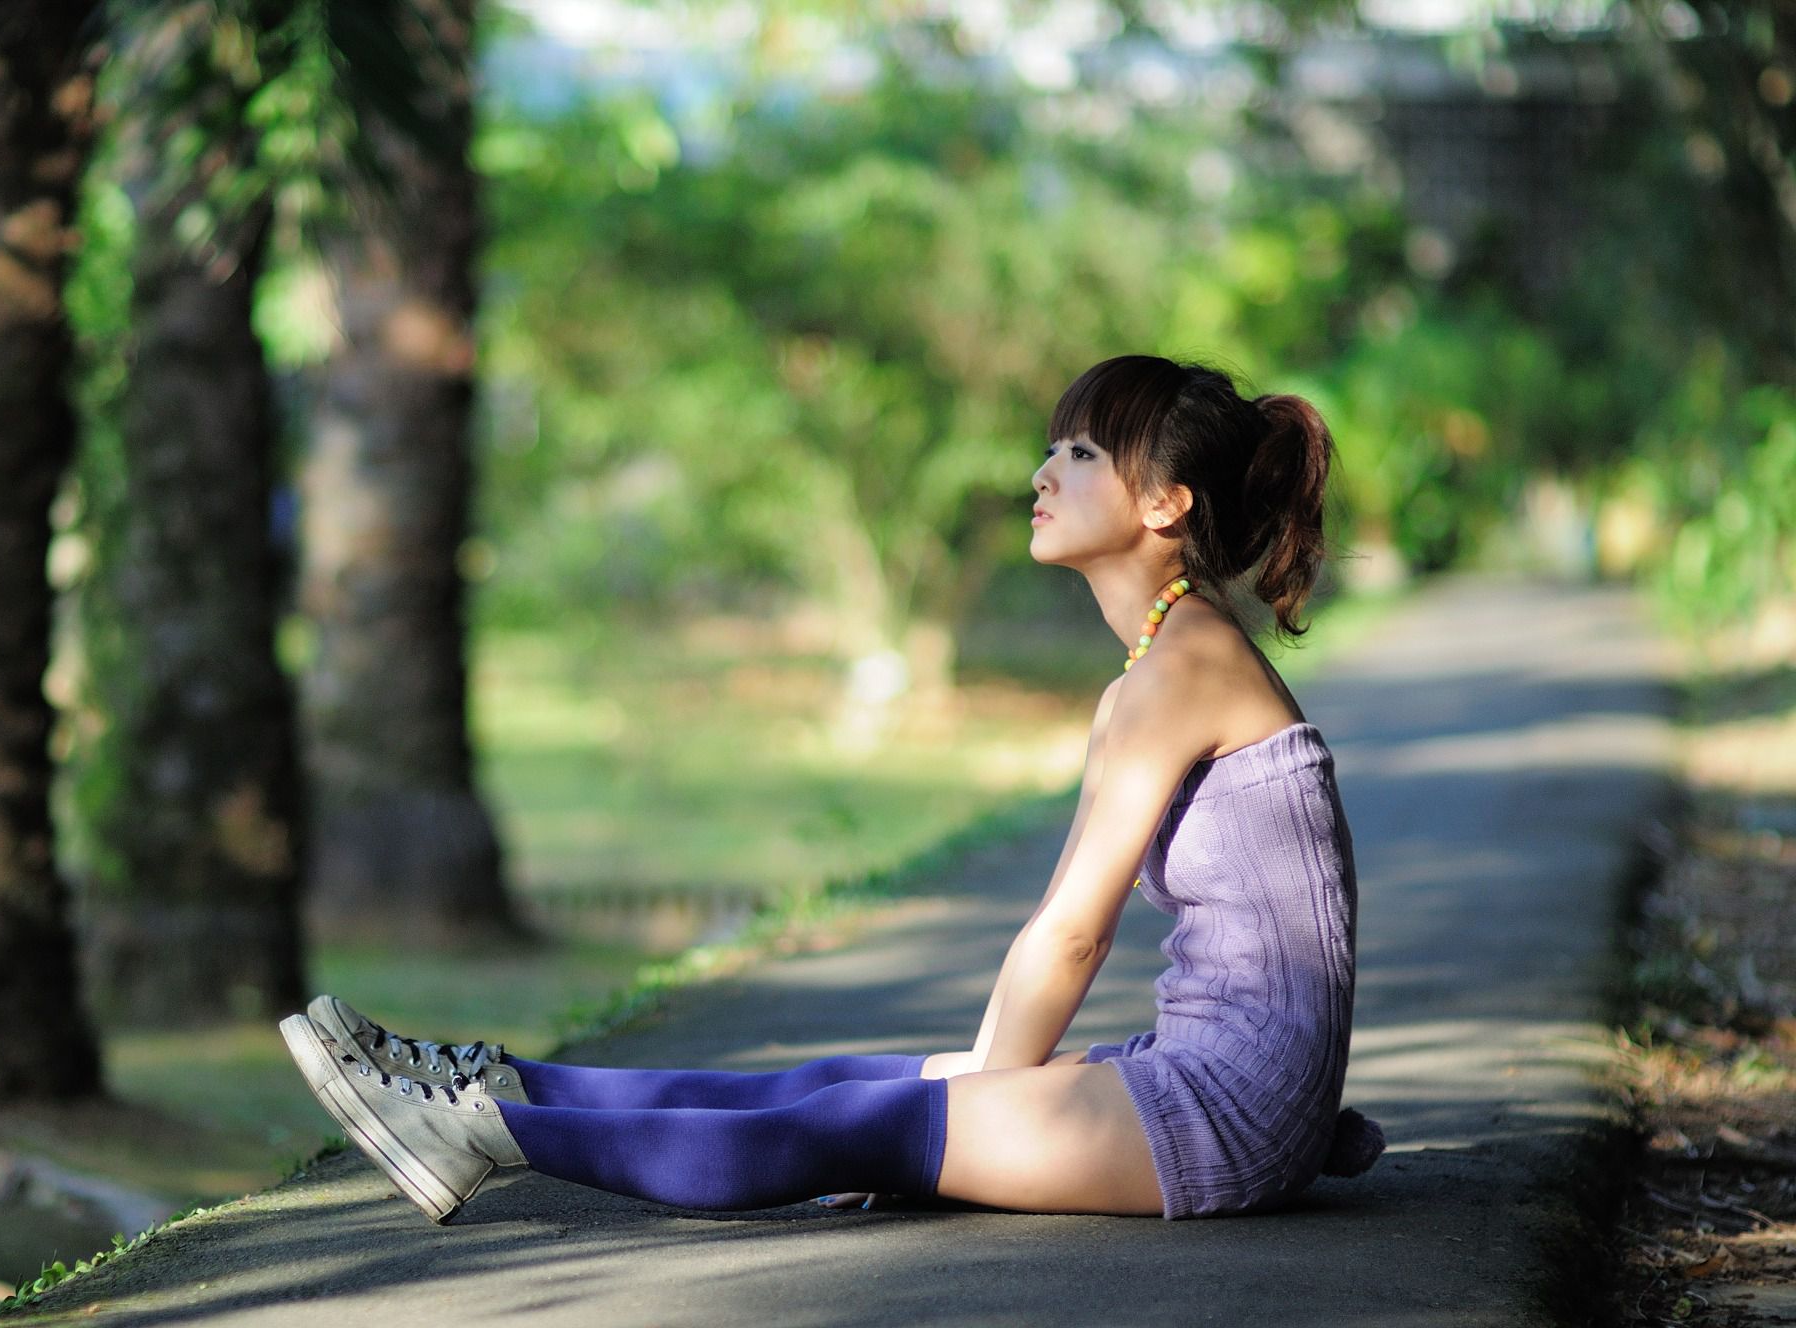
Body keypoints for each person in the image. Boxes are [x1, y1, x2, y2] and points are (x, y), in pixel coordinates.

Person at [279, 353, 1386, 1223]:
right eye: (1050, 447)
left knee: (854, 1125)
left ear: (1163, 504)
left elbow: (1067, 938)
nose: (1041, 473)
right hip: (1222, 1082)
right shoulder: (1166, 660)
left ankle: (480, 1138)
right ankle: (487, 1082)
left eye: (1081, 453)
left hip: (1224, 1110)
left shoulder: (1180, 667)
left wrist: (962, 1108)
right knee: (840, 1077)